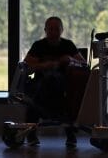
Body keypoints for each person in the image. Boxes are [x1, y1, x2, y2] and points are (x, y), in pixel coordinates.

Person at [22, 16, 87, 147]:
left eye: (56, 29)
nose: (53, 32)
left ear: (61, 30)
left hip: (63, 83)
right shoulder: (38, 46)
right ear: (45, 30)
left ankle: (70, 133)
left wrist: (70, 59)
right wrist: (45, 66)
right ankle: (31, 133)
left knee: (65, 92)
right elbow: (26, 65)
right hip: (41, 82)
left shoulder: (68, 45)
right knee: (36, 93)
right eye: (50, 29)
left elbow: (84, 64)